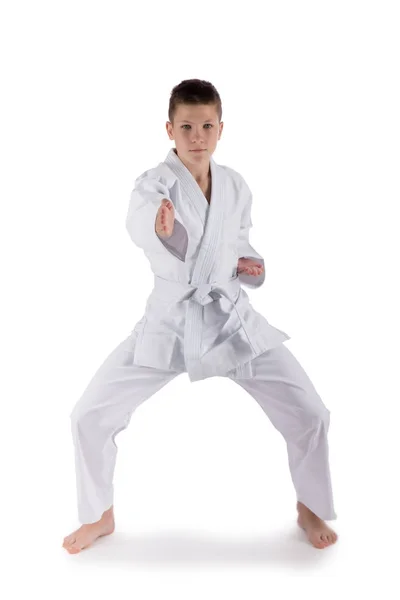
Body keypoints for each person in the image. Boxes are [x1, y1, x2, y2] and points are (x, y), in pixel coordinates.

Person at [62, 79, 338, 554]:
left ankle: (310, 505)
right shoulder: (155, 184)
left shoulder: (235, 185)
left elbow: (239, 242)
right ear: (169, 129)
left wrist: (249, 265)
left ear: (220, 129)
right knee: (89, 415)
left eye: (206, 125)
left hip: (231, 320)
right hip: (170, 323)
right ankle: (99, 515)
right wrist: (160, 226)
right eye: (186, 126)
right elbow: (143, 221)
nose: (197, 136)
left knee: (310, 412)